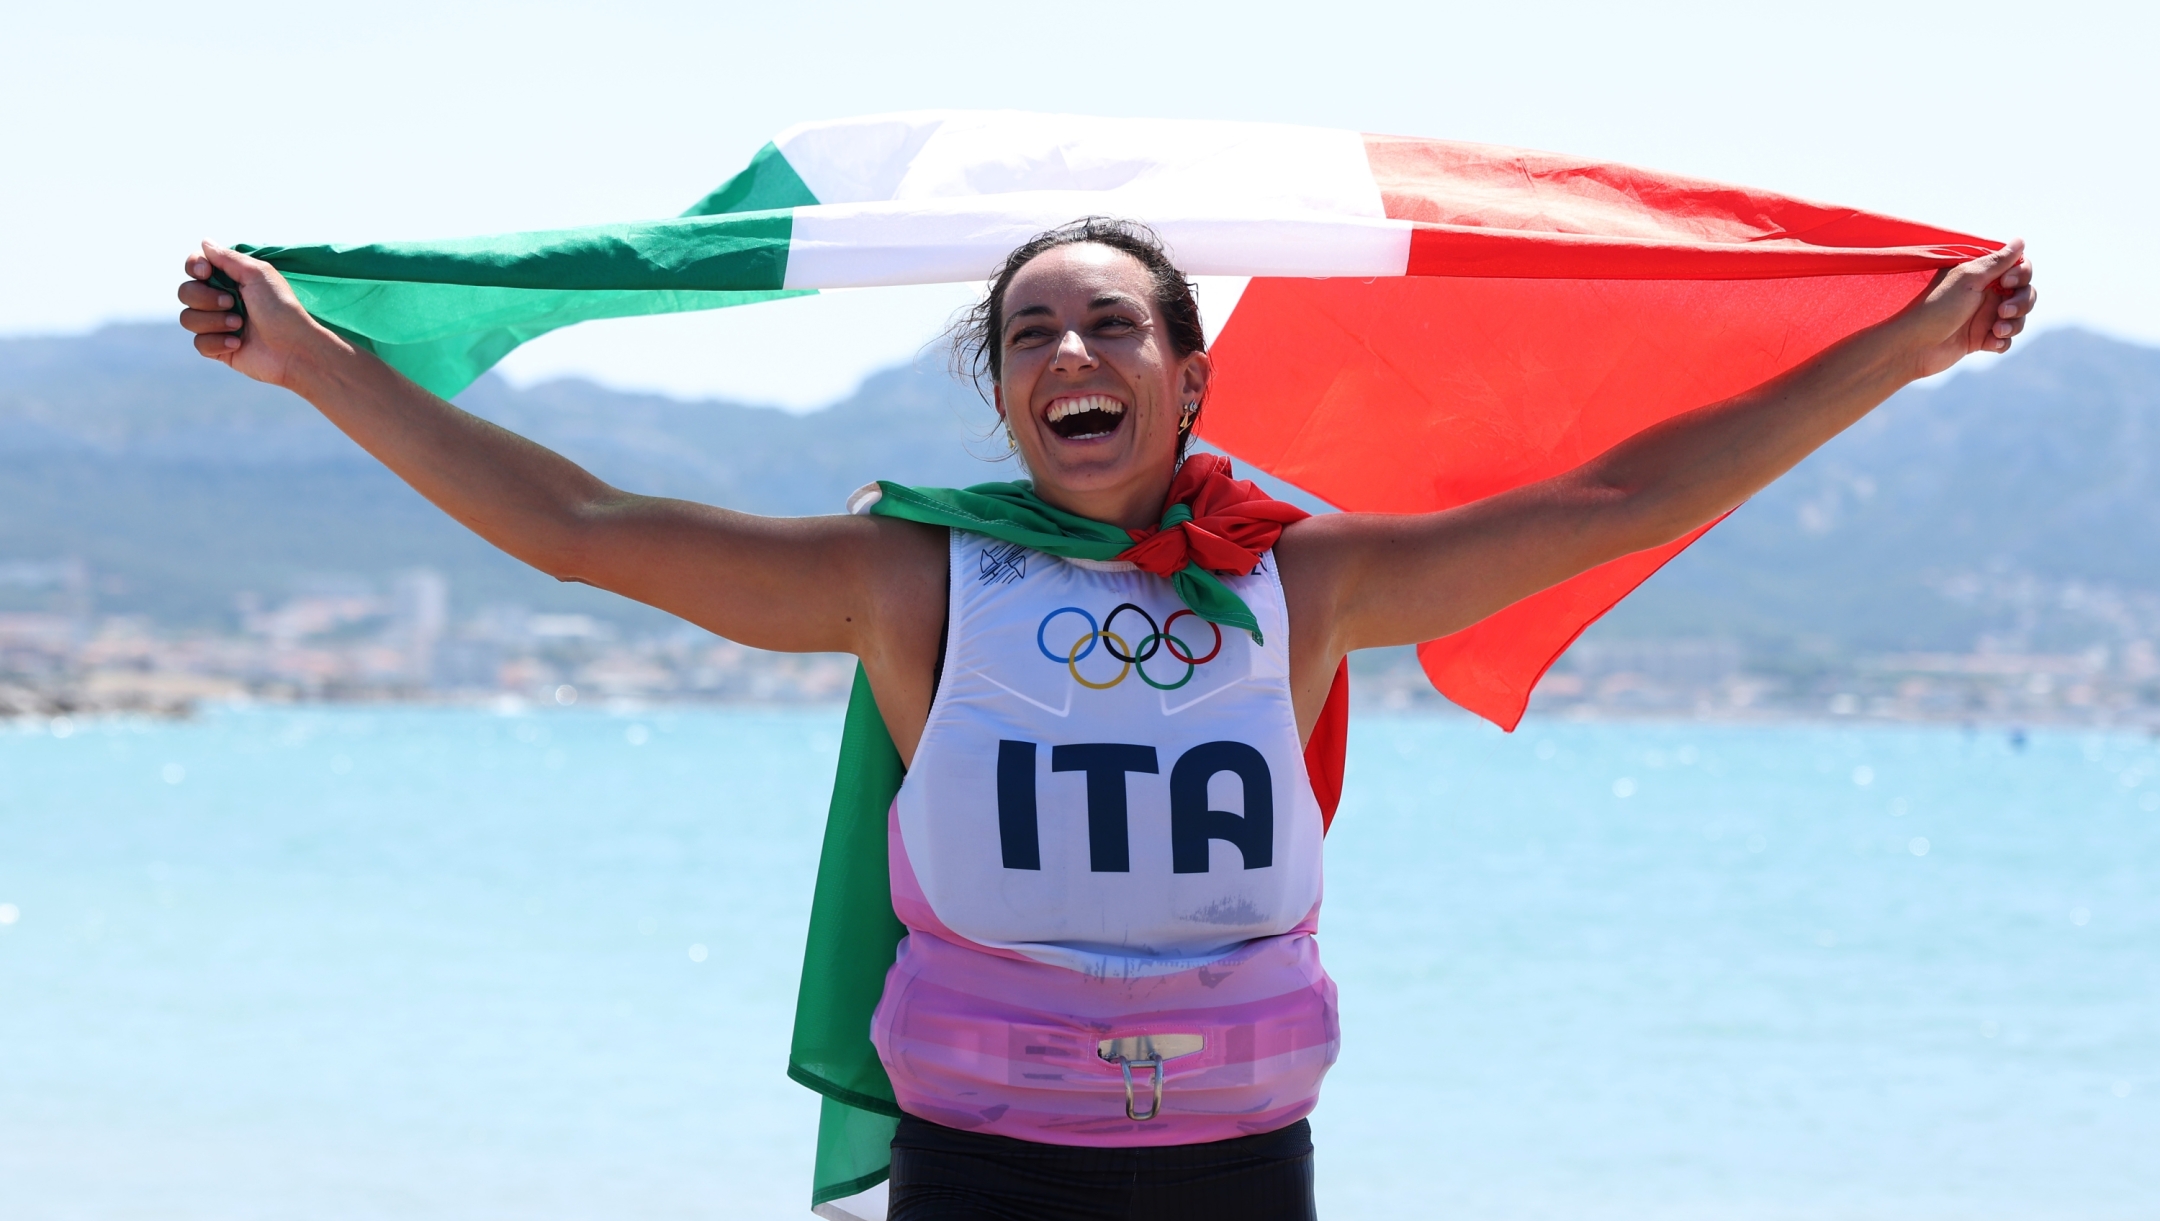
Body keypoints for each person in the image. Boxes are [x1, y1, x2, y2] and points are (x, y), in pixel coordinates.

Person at [177, 218, 2034, 1220]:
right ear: (1000, 396)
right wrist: (305, 357)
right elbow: (579, 532)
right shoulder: (911, 582)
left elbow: (1621, 507)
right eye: (1034, 335)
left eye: (1116, 326)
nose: (1075, 353)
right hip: (987, 1170)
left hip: (1241, 1169)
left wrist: (1906, 341)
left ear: (1189, 372)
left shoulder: (1301, 585)